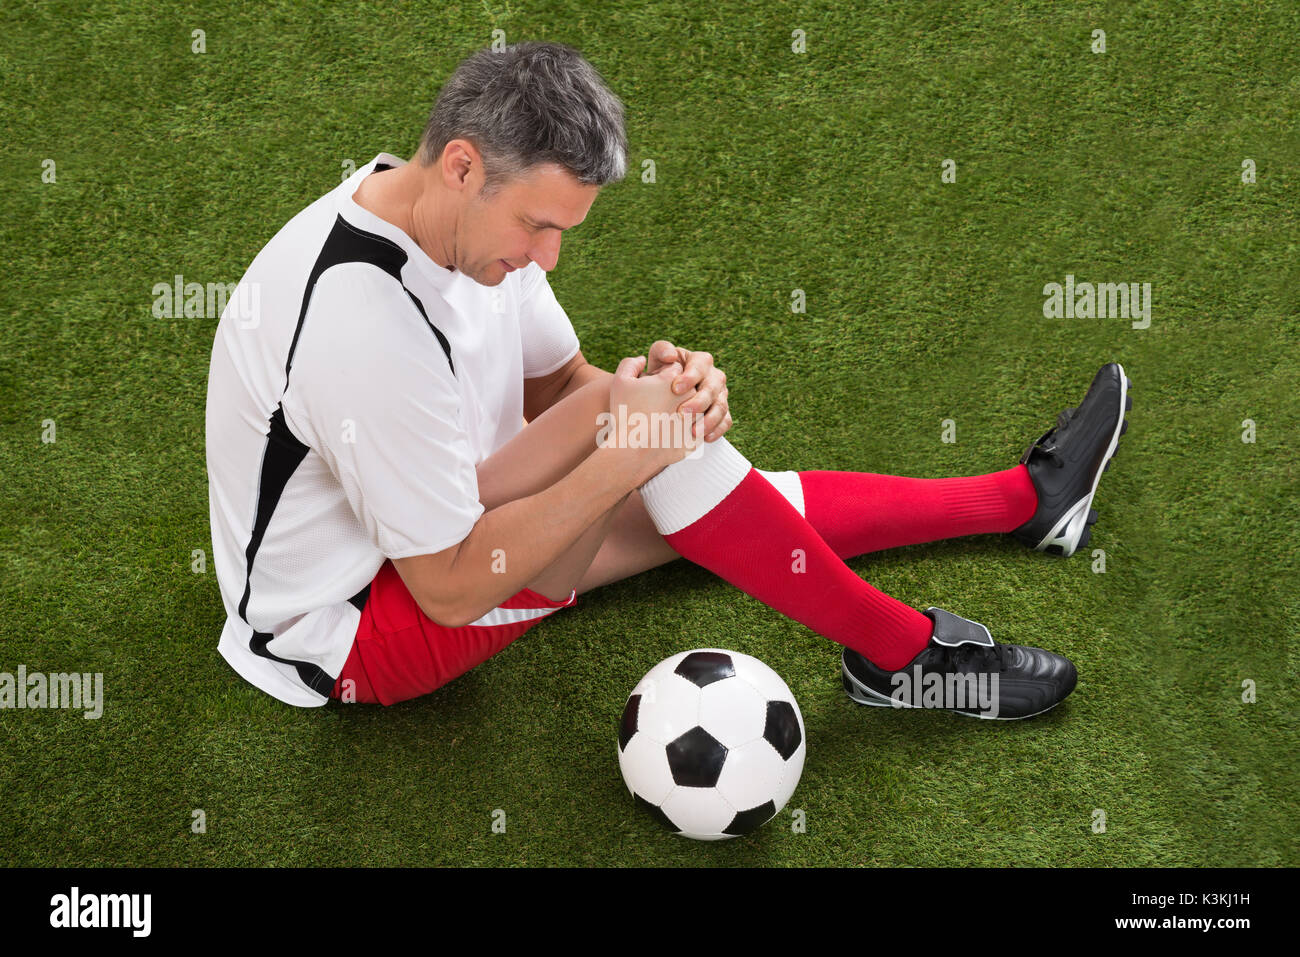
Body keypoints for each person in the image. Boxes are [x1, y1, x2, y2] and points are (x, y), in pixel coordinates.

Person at [205, 41, 1131, 719]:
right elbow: (448, 588)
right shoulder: (361, 327)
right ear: (461, 165)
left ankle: (1018, 506)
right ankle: (909, 651)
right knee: (655, 450)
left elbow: (561, 382)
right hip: (362, 622)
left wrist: (655, 397)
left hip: (453, 511)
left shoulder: (455, 222)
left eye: (564, 230)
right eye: (537, 227)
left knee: (668, 447)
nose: (548, 260)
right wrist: (625, 451)